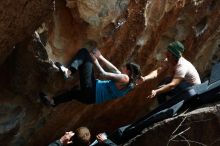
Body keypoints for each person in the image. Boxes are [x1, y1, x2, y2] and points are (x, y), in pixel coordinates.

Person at [41, 44, 142, 106]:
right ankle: (53, 102)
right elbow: (114, 69)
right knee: (72, 93)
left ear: (129, 71)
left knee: (84, 52)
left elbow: (103, 74)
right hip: (90, 99)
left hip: (92, 89)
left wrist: (95, 60)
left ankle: (68, 72)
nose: (122, 68)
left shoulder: (125, 78)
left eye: (125, 67)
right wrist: (100, 57)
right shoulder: (129, 86)